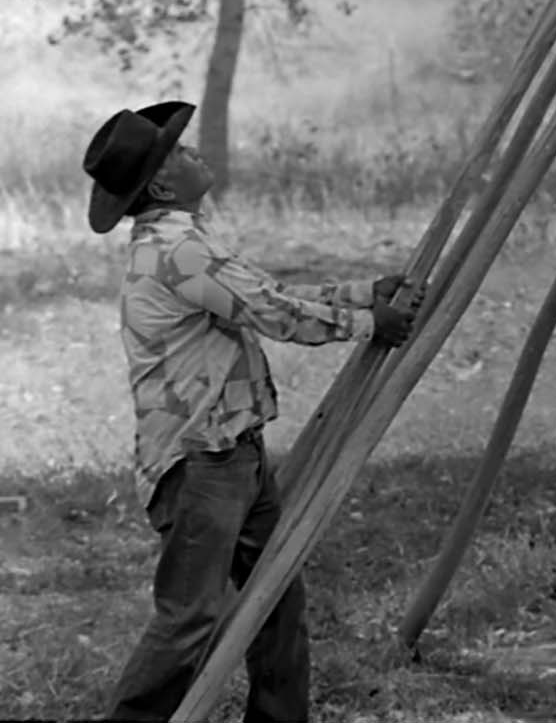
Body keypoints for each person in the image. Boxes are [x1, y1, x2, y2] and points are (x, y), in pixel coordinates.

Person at [82, 100, 424, 723]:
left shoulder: (187, 240)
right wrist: (369, 322)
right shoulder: (176, 251)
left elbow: (264, 294)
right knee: (191, 618)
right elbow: (272, 314)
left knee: (275, 599)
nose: (194, 153)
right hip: (198, 463)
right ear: (161, 184)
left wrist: (357, 294)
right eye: (181, 153)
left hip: (232, 450)